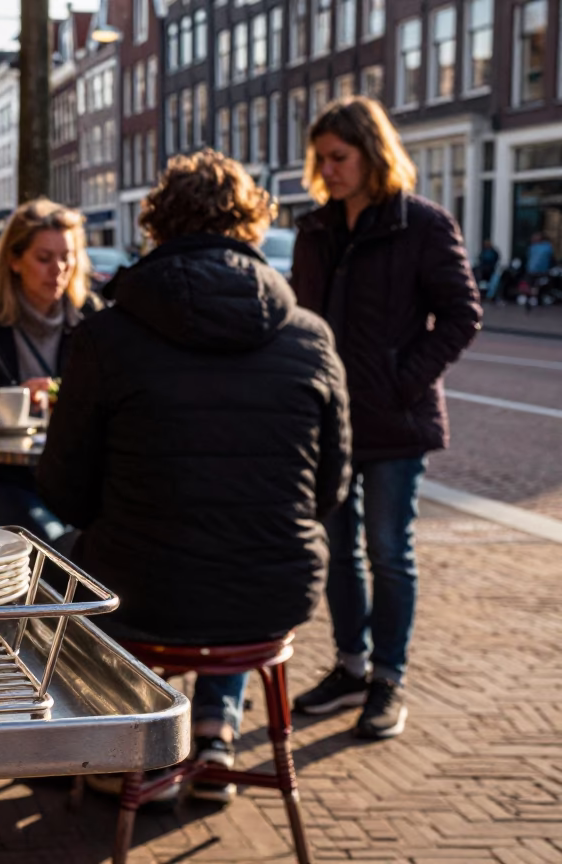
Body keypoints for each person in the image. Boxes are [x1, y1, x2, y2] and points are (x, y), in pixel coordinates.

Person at [37, 149, 351, 803]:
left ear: (157, 226)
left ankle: (127, 741)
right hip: (274, 590)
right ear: (253, 226)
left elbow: (64, 490)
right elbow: (330, 490)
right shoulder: (312, 338)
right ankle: (215, 729)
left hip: (143, 590)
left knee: (51, 571)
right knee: (229, 544)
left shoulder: (104, 337)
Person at [289, 97, 482, 740]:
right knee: (339, 552)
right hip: (330, 422)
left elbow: (462, 314)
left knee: (388, 552)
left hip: (396, 423)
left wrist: (402, 380)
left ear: (372, 153)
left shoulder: (422, 224)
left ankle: (387, 679)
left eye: (338, 157)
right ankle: (350, 667)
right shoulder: (315, 229)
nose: (329, 169)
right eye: (320, 159)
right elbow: (303, 322)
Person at [0, 198, 101, 543]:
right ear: (14, 260)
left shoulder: (91, 317)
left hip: (73, 475)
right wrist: (14, 404)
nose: (58, 269)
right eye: (44, 258)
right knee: (52, 540)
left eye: (66, 257)